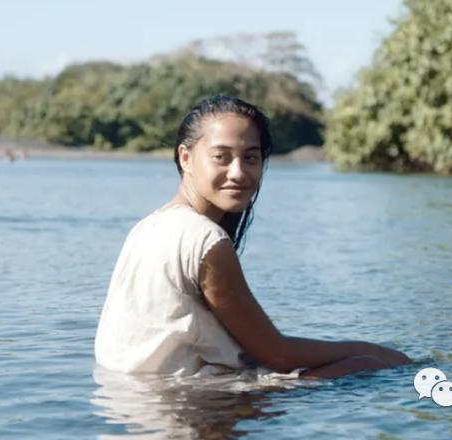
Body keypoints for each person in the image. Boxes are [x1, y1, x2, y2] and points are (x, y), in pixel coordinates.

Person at [94, 96, 411, 379]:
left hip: (128, 411)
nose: (239, 173)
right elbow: (277, 354)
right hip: (187, 410)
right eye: (222, 157)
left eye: (251, 157)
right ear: (185, 158)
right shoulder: (203, 238)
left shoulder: (148, 226)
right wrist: (376, 352)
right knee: (370, 365)